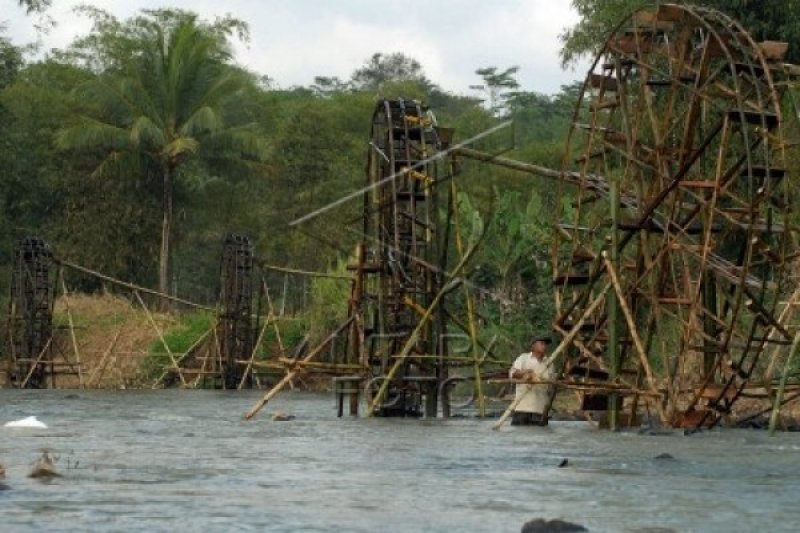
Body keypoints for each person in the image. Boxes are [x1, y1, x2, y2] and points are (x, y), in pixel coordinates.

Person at [509, 335, 554, 426]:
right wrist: (526, 374)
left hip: (540, 410)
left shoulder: (549, 362)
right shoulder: (523, 358)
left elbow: (551, 383)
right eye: (541, 343)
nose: (544, 346)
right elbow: (513, 374)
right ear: (533, 346)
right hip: (522, 408)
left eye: (545, 344)